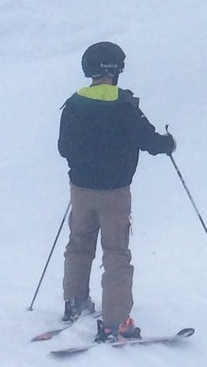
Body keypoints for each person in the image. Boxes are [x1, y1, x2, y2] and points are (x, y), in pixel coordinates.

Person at [57, 40, 175, 342]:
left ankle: (75, 302)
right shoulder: (124, 105)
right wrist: (168, 143)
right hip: (115, 192)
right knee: (116, 252)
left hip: (81, 189)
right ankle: (115, 321)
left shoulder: (73, 103)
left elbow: (63, 148)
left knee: (79, 242)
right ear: (116, 69)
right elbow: (149, 142)